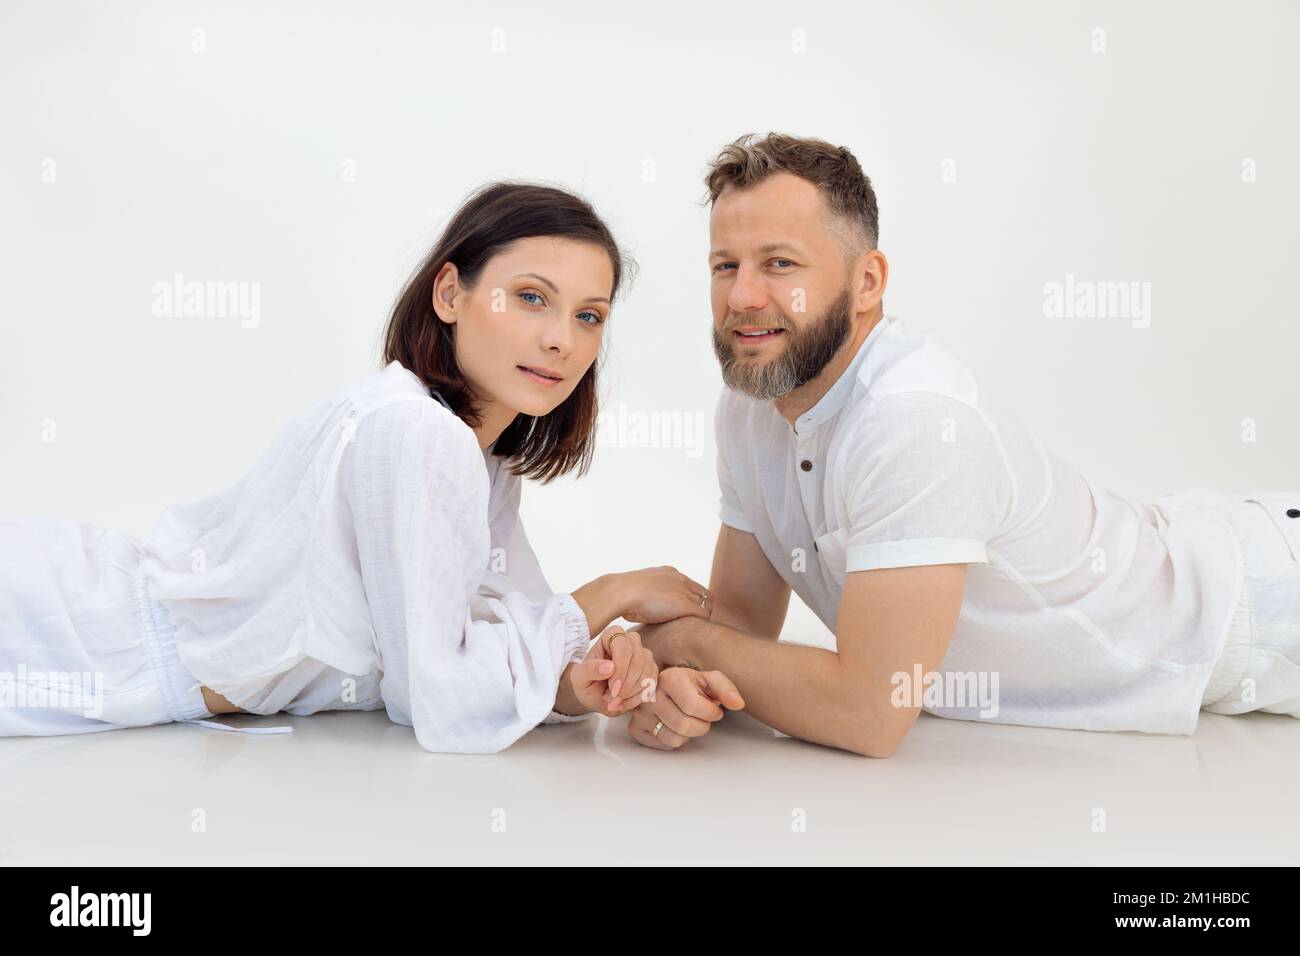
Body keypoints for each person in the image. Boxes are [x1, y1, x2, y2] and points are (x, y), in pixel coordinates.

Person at [0, 181, 742, 753]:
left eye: (589, 316)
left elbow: (502, 632)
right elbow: (438, 697)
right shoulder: (415, 431)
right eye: (529, 298)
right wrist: (608, 594)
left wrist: (595, 677)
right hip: (68, 628)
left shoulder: (475, 456)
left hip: (92, 640)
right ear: (450, 294)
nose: (561, 340)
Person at [630, 132, 1300, 756]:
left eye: (780, 264)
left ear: (867, 283)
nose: (743, 296)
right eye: (725, 265)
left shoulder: (915, 418)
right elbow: (742, 625)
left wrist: (685, 642)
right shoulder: (748, 410)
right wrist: (689, 680)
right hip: (1196, 543)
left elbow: (869, 710)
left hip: (1258, 605)